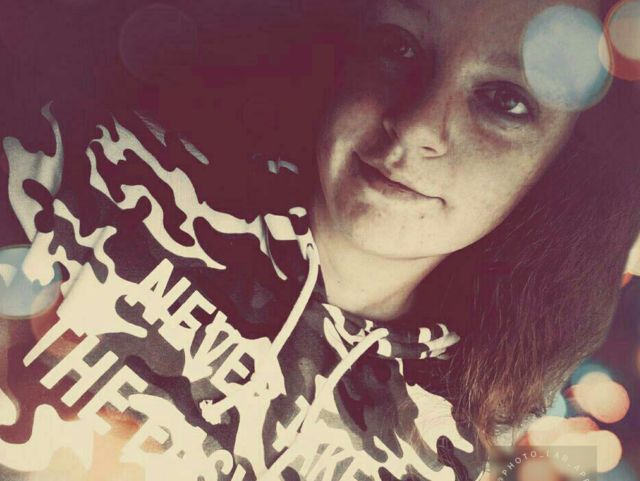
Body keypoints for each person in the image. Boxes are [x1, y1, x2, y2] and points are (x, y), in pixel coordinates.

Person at [0, 0, 638, 480]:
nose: (417, 125)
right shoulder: (78, 174)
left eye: (504, 101)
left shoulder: (453, 455)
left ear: (561, 170)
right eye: (400, 46)